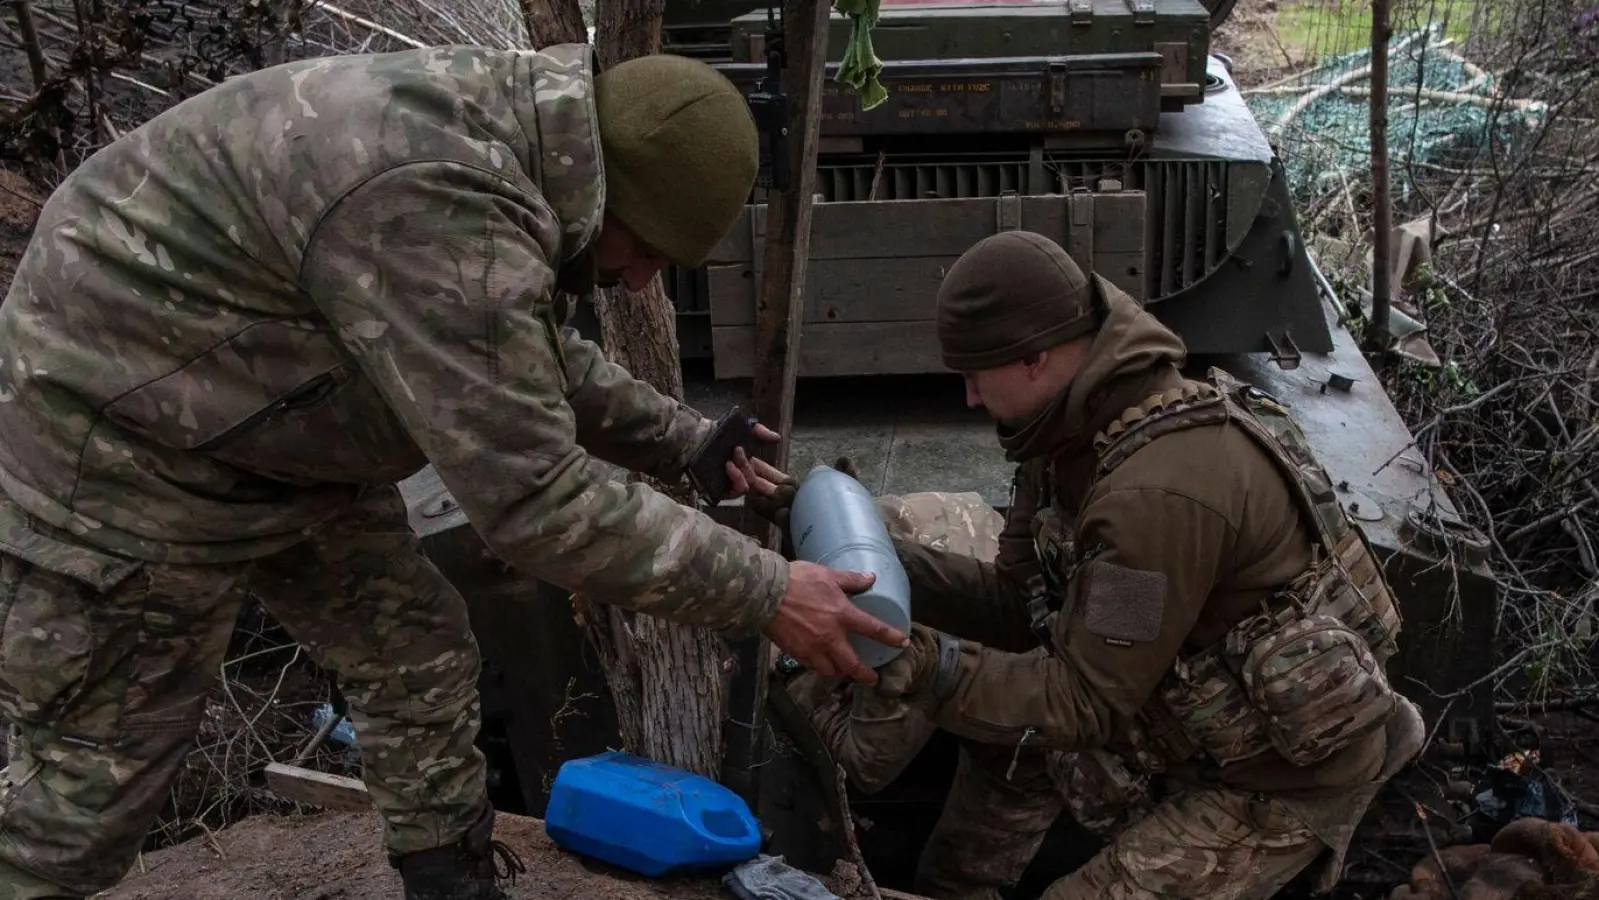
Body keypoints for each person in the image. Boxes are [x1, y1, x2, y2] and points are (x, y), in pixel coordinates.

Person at [0, 44, 907, 900]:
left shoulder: (518, 146)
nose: (639, 284)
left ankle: (452, 884)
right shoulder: (434, 196)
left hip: (268, 428)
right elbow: (537, 500)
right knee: (91, 786)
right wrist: (766, 592)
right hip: (123, 450)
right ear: (616, 198)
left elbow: (512, 347)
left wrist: (684, 441)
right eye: (651, 254)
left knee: (416, 651)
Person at [749, 230, 1427, 900]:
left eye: (974, 375)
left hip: (1273, 779)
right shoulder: (1070, 435)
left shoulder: (1156, 495)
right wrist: (852, 545)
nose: (968, 399)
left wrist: (928, 665)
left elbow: (1084, 701)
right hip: (1157, 710)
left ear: (1035, 358)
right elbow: (1016, 609)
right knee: (997, 730)